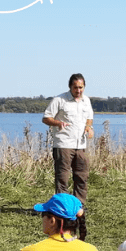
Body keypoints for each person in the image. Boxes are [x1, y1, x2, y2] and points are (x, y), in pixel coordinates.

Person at [42, 73, 94, 205]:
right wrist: (58, 123)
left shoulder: (86, 101)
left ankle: (78, 206)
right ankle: (63, 207)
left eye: (81, 87)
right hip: (63, 143)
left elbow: (89, 117)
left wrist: (88, 127)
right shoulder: (59, 100)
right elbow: (46, 118)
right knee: (62, 178)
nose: (78, 91)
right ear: (70, 87)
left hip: (81, 144)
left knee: (82, 176)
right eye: (76, 87)